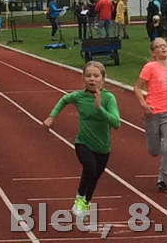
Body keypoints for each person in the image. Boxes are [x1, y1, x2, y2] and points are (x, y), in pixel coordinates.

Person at [43, 61, 120, 217]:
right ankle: (79, 197)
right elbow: (64, 100)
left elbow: (116, 123)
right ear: (83, 79)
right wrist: (51, 117)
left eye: (96, 76)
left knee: (95, 178)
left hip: (103, 147)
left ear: (103, 80)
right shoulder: (78, 96)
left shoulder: (108, 98)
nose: (92, 79)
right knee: (90, 168)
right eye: (88, 76)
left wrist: (100, 108)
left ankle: (86, 202)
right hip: (83, 143)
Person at [134, 38, 167, 193]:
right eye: (158, 47)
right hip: (152, 113)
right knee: (154, 151)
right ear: (153, 52)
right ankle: (156, 141)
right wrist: (143, 104)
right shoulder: (150, 67)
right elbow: (137, 87)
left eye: (164, 46)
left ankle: (162, 179)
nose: (162, 48)